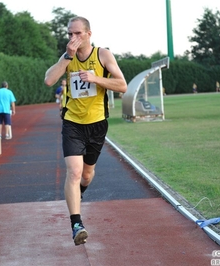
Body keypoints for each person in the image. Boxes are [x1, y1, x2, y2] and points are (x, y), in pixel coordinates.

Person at [44, 16, 127, 246]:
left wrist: (95, 78)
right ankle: (76, 224)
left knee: (87, 175)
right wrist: (66, 58)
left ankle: (77, 194)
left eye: (77, 33)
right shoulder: (66, 58)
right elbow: (49, 80)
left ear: (89, 34)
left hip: (97, 123)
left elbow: (122, 85)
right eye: (70, 33)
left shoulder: (103, 55)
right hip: (72, 123)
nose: (73, 38)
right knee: (74, 172)